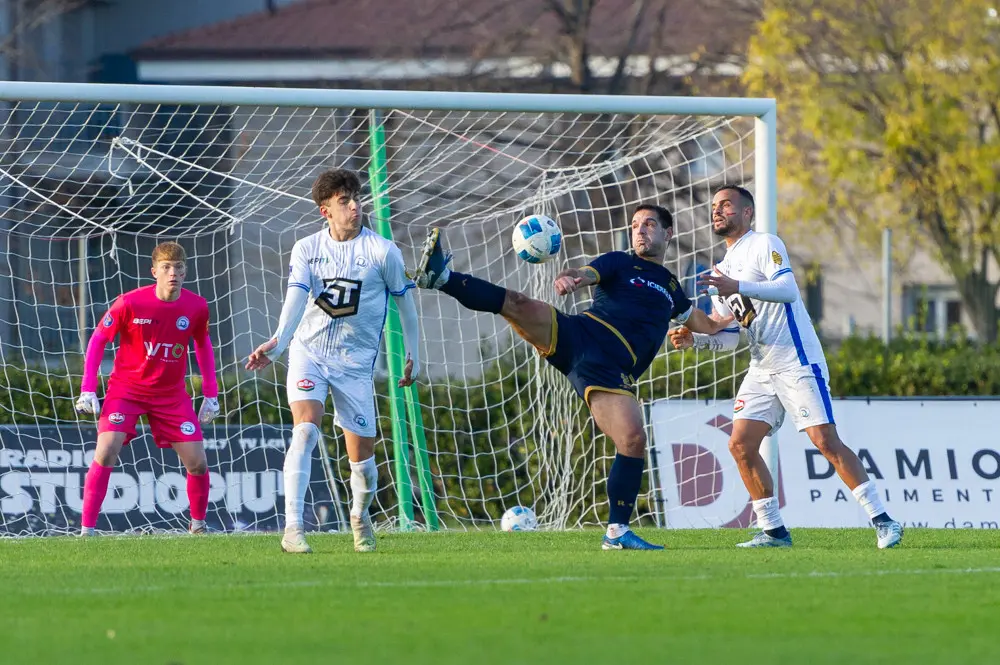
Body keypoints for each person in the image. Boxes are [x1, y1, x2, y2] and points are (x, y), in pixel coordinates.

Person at [412, 204, 725, 550]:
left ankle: (617, 533)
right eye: (635, 224)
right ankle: (441, 278)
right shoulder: (620, 261)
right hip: (581, 335)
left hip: (611, 370)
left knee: (633, 438)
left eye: (649, 224)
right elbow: (586, 273)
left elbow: (704, 323)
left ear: (667, 234)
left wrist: (734, 317)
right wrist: (571, 277)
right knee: (516, 303)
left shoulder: (671, 286)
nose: (640, 230)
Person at [669, 185, 904, 549]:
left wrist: (738, 285)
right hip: (762, 366)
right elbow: (727, 331)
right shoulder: (720, 271)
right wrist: (697, 338)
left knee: (824, 441)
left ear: (747, 213)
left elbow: (788, 290)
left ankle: (883, 521)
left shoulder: (765, 244)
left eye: (727, 205)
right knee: (740, 445)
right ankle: (774, 531)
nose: (718, 211)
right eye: (715, 207)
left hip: (796, 359)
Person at [246, 168, 420, 554]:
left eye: (356, 199)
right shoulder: (307, 248)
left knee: (363, 463)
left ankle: (360, 515)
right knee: (305, 430)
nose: (355, 206)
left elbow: (406, 306)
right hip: (309, 353)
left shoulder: (382, 251)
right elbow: (294, 301)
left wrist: (414, 355)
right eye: (344, 202)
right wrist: (277, 344)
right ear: (325, 210)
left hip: (356, 366)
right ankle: (293, 528)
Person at [75, 241, 220, 535]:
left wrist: (211, 394)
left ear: (185, 272)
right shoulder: (129, 302)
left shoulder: (196, 307)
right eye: (166, 267)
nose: (173, 273)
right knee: (105, 451)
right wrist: (88, 388)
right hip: (126, 391)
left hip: (171, 396)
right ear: (154, 271)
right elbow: (98, 339)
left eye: (178, 268)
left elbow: (203, 345)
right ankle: (86, 531)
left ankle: (199, 527)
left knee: (198, 463)